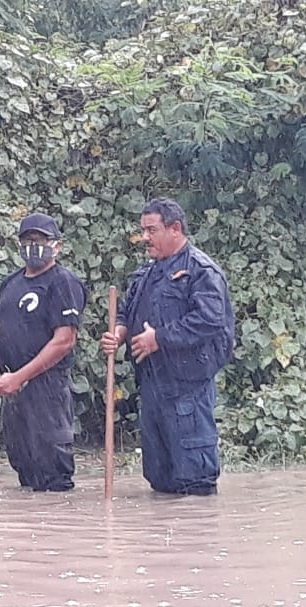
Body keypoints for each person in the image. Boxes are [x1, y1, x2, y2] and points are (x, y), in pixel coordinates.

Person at [100, 198, 235, 495]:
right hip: (152, 386)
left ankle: (194, 539)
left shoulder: (201, 271)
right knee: (159, 477)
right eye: (143, 230)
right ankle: (162, 539)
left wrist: (158, 338)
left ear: (175, 228)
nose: (144, 237)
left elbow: (210, 321)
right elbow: (126, 311)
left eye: (151, 230)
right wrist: (119, 332)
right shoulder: (145, 274)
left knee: (195, 481)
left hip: (188, 387)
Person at [0, 212, 88, 491]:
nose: (34, 245)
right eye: (28, 239)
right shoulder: (10, 284)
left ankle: (58, 529)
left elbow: (64, 340)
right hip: (11, 390)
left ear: (57, 246)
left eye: (41, 240)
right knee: (23, 465)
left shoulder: (63, 283)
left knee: (53, 469)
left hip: (46, 388)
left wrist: (20, 377)